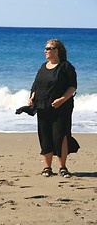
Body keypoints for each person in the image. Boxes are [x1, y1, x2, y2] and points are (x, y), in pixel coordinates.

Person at [28, 39, 80, 178]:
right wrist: (32, 97)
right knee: (45, 136)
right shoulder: (43, 66)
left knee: (60, 136)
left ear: (56, 51)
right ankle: (47, 167)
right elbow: (37, 84)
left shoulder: (66, 67)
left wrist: (62, 100)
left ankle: (63, 167)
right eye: (45, 48)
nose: (45, 50)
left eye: (48, 48)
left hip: (61, 109)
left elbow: (72, 86)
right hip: (43, 107)